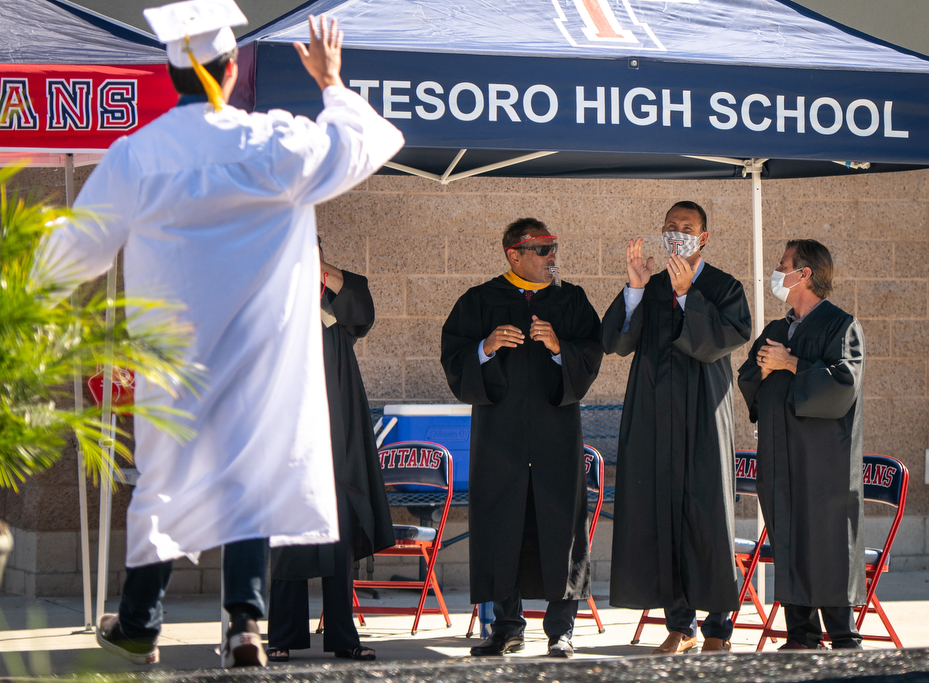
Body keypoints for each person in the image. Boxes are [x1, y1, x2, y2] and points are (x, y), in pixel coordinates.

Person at [38, 0, 404, 668]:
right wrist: (330, 82)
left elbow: (78, 249)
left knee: (164, 480)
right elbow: (364, 143)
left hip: (176, 356)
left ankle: (143, 619)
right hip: (260, 355)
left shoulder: (138, 154)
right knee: (251, 480)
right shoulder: (275, 142)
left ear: (172, 74)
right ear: (233, 69)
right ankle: (244, 625)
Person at [440, 218, 603, 658]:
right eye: (543, 249)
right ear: (515, 254)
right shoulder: (479, 301)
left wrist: (558, 349)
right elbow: (455, 360)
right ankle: (506, 627)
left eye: (555, 248)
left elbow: (590, 355)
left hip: (555, 436)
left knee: (561, 528)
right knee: (500, 526)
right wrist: (485, 348)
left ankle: (561, 631)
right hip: (500, 438)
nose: (553, 257)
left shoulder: (571, 300)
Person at [603, 201, 751, 654]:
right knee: (662, 514)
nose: (677, 233)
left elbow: (725, 339)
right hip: (654, 417)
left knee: (708, 519)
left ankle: (719, 629)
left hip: (704, 416)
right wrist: (634, 288)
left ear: (703, 237)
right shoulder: (652, 284)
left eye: (687, 227)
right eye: (670, 226)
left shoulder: (723, 285)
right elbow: (617, 343)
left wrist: (689, 295)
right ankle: (679, 625)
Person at [266, 238, 394, 663]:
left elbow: (365, 315)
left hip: (338, 431)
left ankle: (343, 636)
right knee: (289, 538)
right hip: (289, 432)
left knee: (339, 535)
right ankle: (282, 635)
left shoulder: (335, 292)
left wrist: (320, 270)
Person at [737, 239, 866, 651]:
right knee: (788, 537)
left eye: (783, 265)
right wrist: (765, 368)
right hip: (779, 457)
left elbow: (843, 384)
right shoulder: (778, 328)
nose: (777, 272)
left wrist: (791, 364)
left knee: (826, 542)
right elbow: (748, 377)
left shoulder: (841, 326)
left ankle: (844, 636)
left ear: (804, 274)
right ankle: (800, 634)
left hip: (822, 461)